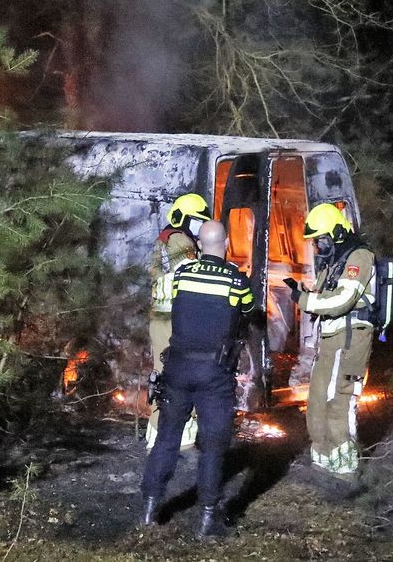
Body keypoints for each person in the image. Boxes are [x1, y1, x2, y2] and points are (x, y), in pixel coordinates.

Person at [140, 220, 255, 538]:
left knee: (166, 439)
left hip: (177, 368)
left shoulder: (181, 275)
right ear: (227, 242)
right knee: (213, 446)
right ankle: (207, 520)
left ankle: (149, 511)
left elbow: (167, 302)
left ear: (200, 245)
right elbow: (248, 307)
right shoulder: (235, 280)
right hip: (214, 375)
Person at [283, 203, 375, 479]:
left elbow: (342, 300)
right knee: (318, 400)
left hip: (350, 338)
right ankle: (324, 460)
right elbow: (322, 294)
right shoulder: (335, 260)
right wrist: (303, 291)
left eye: (320, 240)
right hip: (331, 338)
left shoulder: (359, 256)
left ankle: (345, 467)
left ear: (335, 233)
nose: (317, 247)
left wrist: (305, 300)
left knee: (340, 399)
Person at [146, 193, 210, 452]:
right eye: (196, 222)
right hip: (175, 320)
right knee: (179, 378)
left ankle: (157, 436)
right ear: (183, 219)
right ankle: (178, 441)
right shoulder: (180, 241)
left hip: (162, 319)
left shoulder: (165, 238)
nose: (199, 230)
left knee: (161, 377)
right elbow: (192, 275)